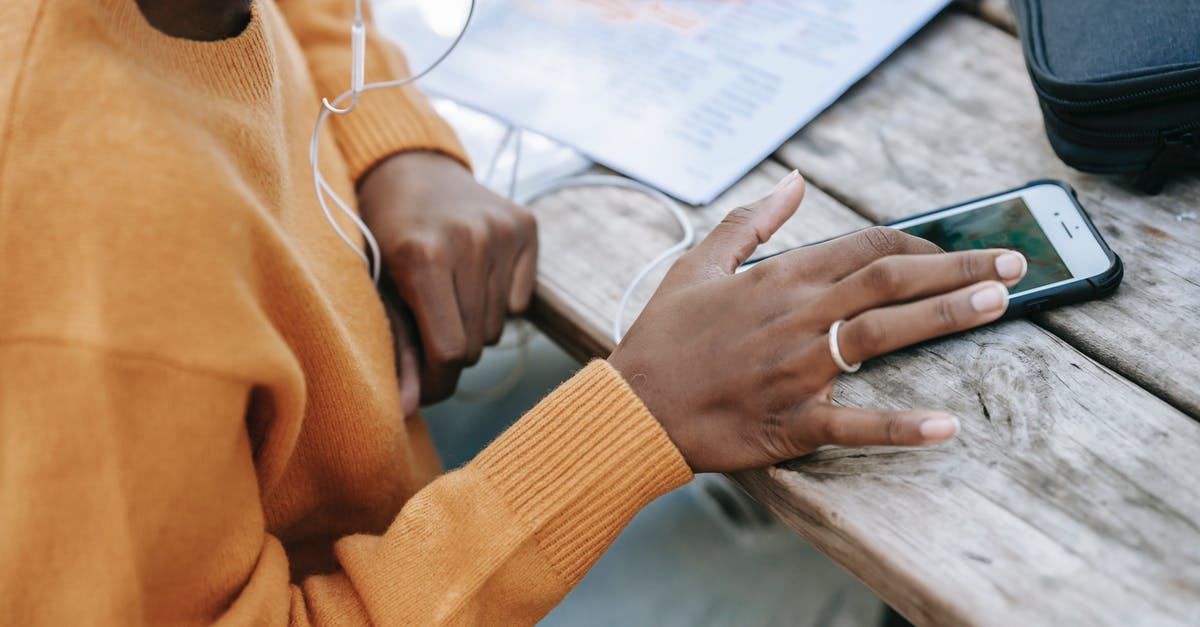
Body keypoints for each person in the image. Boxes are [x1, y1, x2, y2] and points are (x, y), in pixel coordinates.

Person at [0, 0, 1030, 624]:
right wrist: (635, 422)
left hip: (345, 451)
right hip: (318, 574)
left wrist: (389, 141)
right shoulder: (91, 243)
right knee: (819, 571)